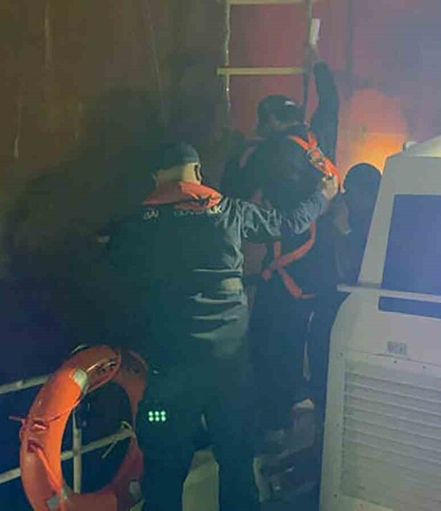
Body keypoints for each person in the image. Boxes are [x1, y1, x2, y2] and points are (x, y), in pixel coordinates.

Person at [106, 142, 338, 511]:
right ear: (198, 173)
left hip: (170, 372)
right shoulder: (230, 211)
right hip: (229, 370)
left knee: (164, 470)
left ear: (156, 178)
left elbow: (114, 276)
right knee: (236, 461)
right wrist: (322, 197)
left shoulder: (134, 226)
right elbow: (288, 223)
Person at [222, 48, 340, 447]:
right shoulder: (319, 141)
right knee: (311, 342)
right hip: (324, 264)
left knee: (269, 343)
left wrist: (234, 156)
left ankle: (272, 422)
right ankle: (312, 418)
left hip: (287, 268)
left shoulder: (270, 152)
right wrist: (318, 64)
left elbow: (234, 195)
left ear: (271, 122)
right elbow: (331, 103)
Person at [307, 163, 382, 423]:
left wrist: (340, 228)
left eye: (350, 191)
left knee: (332, 379)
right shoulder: (355, 218)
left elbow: (347, 269)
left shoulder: (373, 225)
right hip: (331, 308)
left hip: (350, 314)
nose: (345, 197)